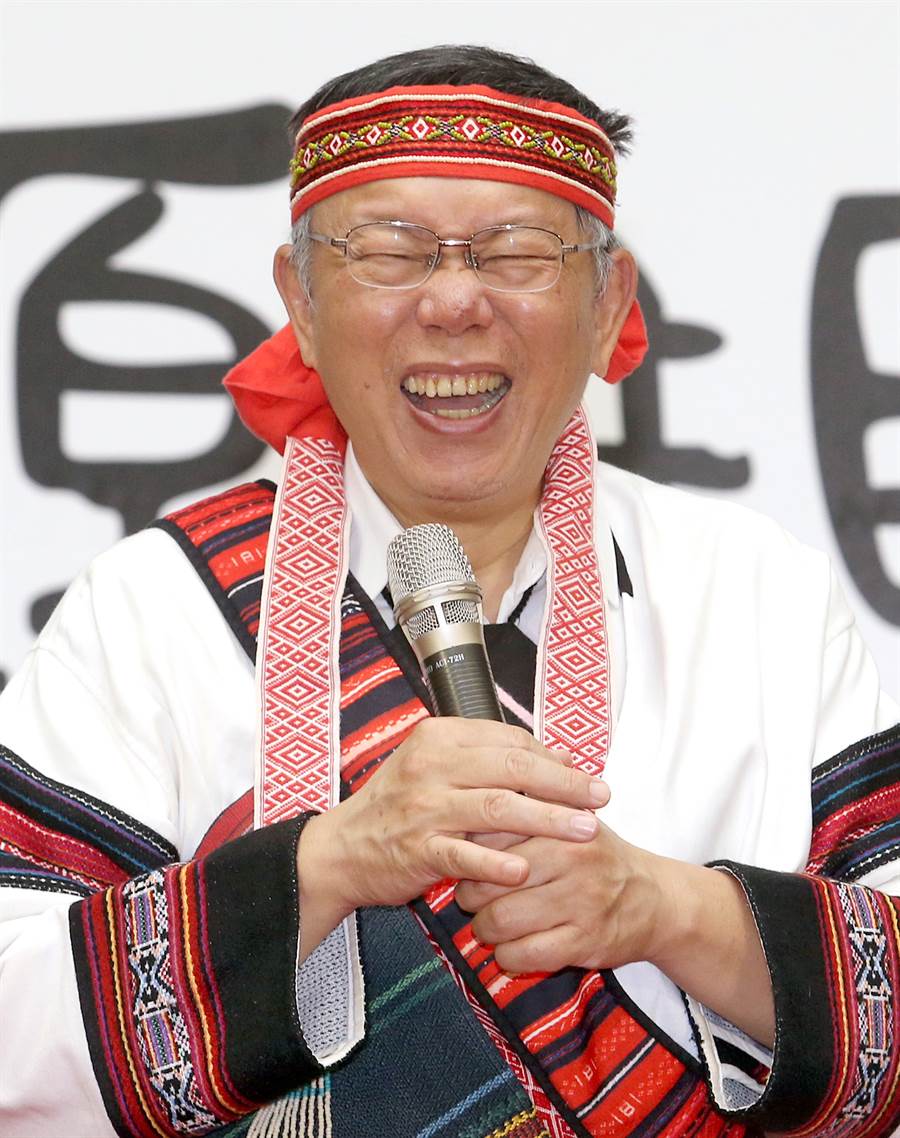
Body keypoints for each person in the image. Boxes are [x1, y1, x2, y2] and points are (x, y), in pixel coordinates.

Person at [1, 43, 899, 1138]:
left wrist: (667, 910)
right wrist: (326, 867)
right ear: (300, 300)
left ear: (609, 297)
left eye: (518, 251)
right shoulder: (150, 609)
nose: (456, 300)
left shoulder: (760, 597)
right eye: (390, 251)